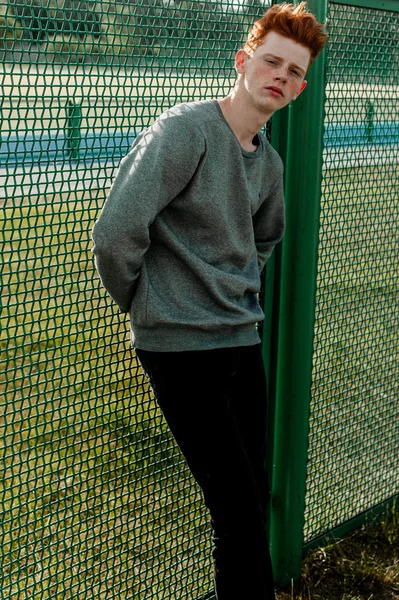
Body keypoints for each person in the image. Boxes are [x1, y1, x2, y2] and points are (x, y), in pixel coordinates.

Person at [91, 3, 327, 598]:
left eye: (293, 71)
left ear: (299, 89)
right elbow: (117, 232)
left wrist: (232, 290)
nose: (281, 75)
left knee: (252, 493)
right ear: (244, 61)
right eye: (271, 61)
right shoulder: (185, 131)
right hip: (179, 347)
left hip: (240, 341)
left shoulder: (268, 164)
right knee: (236, 508)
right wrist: (149, 304)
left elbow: (265, 241)